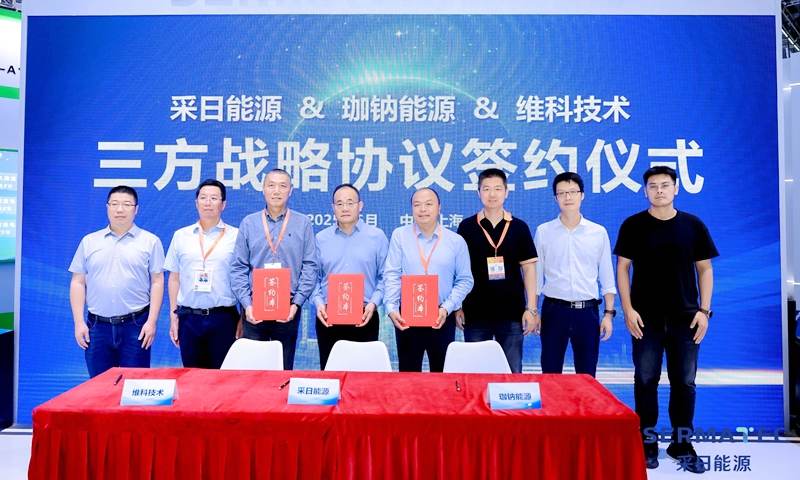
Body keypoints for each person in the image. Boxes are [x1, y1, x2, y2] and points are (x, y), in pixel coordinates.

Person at [614, 166, 718, 472]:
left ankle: (681, 444)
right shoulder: (633, 225)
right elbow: (622, 269)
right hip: (645, 319)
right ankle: (647, 442)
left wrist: (704, 311)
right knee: (646, 380)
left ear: (675, 189)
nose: (659, 190)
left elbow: (705, 269)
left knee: (684, 383)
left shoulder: (693, 225)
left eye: (664, 185)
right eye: (652, 185)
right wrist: (628, 309)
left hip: (686, 319)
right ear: (644, 190)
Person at [69, 185, 164, 378]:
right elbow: (77, 282)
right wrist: (79, 322)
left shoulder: (150, 241)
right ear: (107, 207)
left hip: (136, 325)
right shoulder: (89, 241)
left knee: (135, 386)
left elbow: (157, 281)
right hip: (97, 326)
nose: (120, 209)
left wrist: (152, 321)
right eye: (114, 204)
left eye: (126, 204)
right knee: (99, 387)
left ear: (136, 209)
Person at [230, 169, 317, 370]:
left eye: (282, 186)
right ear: (263, 189)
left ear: (290, 190)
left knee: (283, 370)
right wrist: (247, 305)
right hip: (254, 309)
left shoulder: (302, 223)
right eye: (271, 185)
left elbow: (310, 265)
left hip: (288, 309)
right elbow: (238, 267)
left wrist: (296, 304)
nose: (276, 191)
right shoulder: (249, 223)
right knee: (253, 371)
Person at [533, 172, 616, 378]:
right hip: (554, 311)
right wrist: (533, 311)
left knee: (587, 375)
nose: (567, 197)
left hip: (587, 312)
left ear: (582, 195)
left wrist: (608, 314)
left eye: (572, 192)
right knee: (550, 373)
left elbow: (607, 276)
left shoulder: (598, 232)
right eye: (561, 193)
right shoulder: (544, 231)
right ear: (555, 198)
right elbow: (535, 276)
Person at [455, 168, 538, 373]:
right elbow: (458, 271)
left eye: (498, 189)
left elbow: (529, 271)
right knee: (475, 373)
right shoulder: (466, 227)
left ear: (506, 192)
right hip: (475, 313)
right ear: (478, 192)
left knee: (511, 372)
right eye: (486, 189)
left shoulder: (519, 227)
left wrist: (531, 309)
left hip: (512, 314)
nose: (492, 194)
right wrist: (458, 306)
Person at [384, 188, 474, 372]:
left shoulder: (456, 241)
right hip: (407, 316)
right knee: (408, 374)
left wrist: (447, 307)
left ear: (439, 208)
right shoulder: (400, 236)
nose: (422, 209)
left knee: (441, 375)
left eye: (428, 204)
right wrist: (391, 308)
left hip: (441, 315)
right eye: (417, 205)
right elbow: (392, 274)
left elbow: (465, 280)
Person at [164, 179, 240, 369]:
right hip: (188, 318)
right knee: (192, 376)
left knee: (223, 377)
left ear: (223, 204)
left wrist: (243, 318)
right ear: (196, 202)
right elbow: (174, 278)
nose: (208, 202)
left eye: (214, 198)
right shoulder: (181, 236)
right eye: (203, 198)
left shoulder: (236, 236)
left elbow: (244, 279)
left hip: (223, 317)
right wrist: (174, 316)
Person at [311, 184, 389, 369]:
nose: (345, 208)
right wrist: (318, 303)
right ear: (333, 207)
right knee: (331, 376)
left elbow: (386, 277)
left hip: (365, 316)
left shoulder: (377, 237)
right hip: (328, 317)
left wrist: (373, 304)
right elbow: (312, 277)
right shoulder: (321, 239)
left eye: (350, 203)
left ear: (360, 206)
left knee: (364, 378)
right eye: (339, 204)